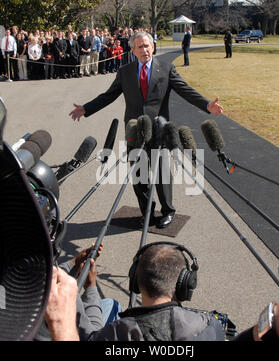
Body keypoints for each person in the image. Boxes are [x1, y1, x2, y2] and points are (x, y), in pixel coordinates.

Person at [69, 31, 223, 229]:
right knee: (139, 174)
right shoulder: (125, 72)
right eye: (140, 47)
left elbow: (185, 90)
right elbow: (108, 95)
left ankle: (168, 211)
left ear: (153, 47)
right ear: (132, 50)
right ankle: (147, 211)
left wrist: (206, 104)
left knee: (162, 172)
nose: (145, 50)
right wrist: (86, 108)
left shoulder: (166, 68)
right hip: (135, 130)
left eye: (148, 46)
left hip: (160, 129)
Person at [45, 242, 226, 341]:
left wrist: (90, 287)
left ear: (136, 282)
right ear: (185, 285)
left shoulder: (113, 333)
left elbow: (87, 335)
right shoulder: (211, 327)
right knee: (111, 305)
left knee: (111, 305)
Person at [38, 243, 122, 341]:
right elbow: (92, 335)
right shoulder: (63, 296)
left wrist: (74, 262)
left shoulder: (32, 276)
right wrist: (91, 287)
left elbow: (52, 274)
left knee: (108, 303)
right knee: (113, 306)